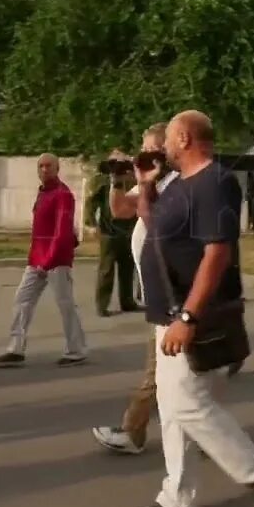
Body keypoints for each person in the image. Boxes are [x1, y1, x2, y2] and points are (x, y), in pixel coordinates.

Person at [130, 110, 254, 507]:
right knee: (172, 405)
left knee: (187, 401)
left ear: (184, 138)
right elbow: (153, 225)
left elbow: (217, 253)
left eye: (167, 138)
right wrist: (146, 187)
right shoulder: (179, 185)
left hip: (193, 314)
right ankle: (179, 496)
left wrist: (189, 316)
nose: (161, 147)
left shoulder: (214, 183)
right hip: (167, 312)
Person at [92, 124, 178, 455]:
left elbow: (150, 213)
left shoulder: (174, 185)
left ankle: (133, 432)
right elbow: (119, 210)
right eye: (141, 150)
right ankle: (199, 431)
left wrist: (144, 183)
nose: (144, 156)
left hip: (172, 298)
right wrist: (117, 178)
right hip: (160, 297)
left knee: (159, 374)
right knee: (184, 378)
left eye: (152, 149)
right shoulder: (153, 183)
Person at [0, 153, 89, 368]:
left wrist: (50, 258)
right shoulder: (43, 193)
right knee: (22, 299)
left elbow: (62, 231)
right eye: (41, 166)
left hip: (57, 259)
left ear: (57, 168)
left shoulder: (62, 194)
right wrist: (36, 257)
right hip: (37, 257)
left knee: (65, 304)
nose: (44, 170)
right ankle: (15, 348)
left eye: (49, 166)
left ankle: (76, 349)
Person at [87, 150, 139, 317]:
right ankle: (102, 306)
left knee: (128, 268)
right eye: (114, 164)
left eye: (120, 164)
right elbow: (91, 203)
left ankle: (128, 301)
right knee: (106, 269)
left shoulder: (133, 180)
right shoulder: (103, 182)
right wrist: (91, 223)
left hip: (128, 230)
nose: (117, 168)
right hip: (108, 231)